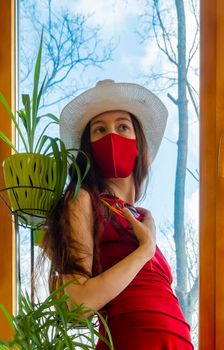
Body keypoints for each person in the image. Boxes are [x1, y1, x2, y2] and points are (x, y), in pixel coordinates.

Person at [42, 79, 194, 349]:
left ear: (139, 144)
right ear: (88, 147)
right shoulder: (83, 199)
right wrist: (144, 251)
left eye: (123, 126)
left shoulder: (140, 216)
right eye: (100, 130)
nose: (112, 136)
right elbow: (77, 303)